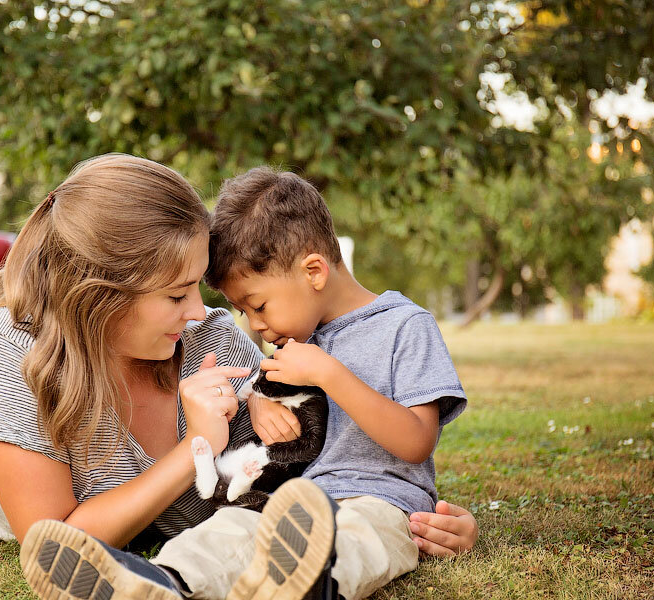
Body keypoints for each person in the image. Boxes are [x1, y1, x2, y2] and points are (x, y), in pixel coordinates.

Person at [0, 154, 477, 600]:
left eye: (200, 287)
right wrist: (195, 444)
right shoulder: (6, 354)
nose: (203, 312)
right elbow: (55, 537)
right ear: (101, 296)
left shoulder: (219, 339)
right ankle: (159, 582)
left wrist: (257, 397)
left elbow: (372, 452)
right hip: (6, 426)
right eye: (177, 294)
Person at [150, 165, 466, 600]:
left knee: (356, 540)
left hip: (383, 503)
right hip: (292, 501)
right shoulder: (296, 339)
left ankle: (305, 583)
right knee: (229, 528)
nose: (255, 326)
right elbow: (263, 389)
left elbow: (416, 442)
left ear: (314, 271)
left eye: (259, 305)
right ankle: (158, 581)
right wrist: (257, 400)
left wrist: (329, 374)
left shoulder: (405, 326)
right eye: (244, 312)